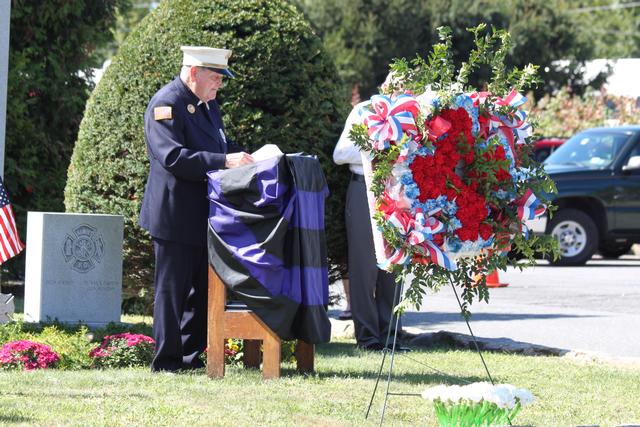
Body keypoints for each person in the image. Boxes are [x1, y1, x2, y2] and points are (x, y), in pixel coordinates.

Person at [139, 46, 254, 372]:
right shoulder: (166, 104)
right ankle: (167, 361)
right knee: (172, 292)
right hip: (173, 215)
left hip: (204, 215)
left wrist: (245, 158)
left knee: (201, 293)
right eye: (215, 77)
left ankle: (190, 356)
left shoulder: (207, 105)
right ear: (194, 73)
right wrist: (224, 161)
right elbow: (173, 157)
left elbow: (219, 146)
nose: (219, 84)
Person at [332, 79, 403, 351]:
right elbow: (340, 154)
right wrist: (378, 145)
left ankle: (391, 334)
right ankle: (369, 337)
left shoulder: (412, 114)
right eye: (397, 87)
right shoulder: (364, 111)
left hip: (397, 193)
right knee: (364, 266)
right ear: (385, 87)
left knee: (395, 266)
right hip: (365, 189)